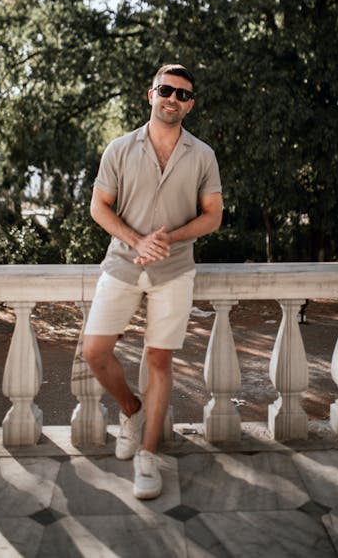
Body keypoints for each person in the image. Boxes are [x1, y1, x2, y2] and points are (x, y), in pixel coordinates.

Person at [83, 64, 223, 499]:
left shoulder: (202, 155)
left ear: (190, 104)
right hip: (123, 263)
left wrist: (169, 239)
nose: (173, 99)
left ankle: (147, 455)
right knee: (94, 350)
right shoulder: (119, 149)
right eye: (167, 90)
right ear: (151, 94)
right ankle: (131, 410)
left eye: (183, 94)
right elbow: (99, 207)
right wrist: (136, 240)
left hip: (174, 269)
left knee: (159, 361)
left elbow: (213, 216)